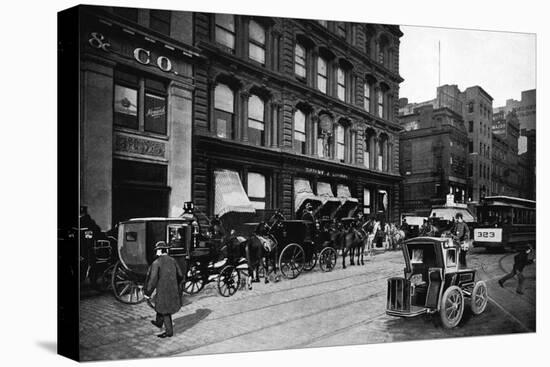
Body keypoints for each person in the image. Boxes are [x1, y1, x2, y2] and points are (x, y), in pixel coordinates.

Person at [145, 241, 184, 338]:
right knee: (160, 305)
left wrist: (148, 293)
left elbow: (153, 280)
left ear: (159, 250)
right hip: (173, 289)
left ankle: (169, 332)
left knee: (165, 310)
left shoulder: (156, 263)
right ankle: (159, 323)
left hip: (163, 290)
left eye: (157, 250)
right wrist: (174, 283)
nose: (156, 252)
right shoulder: (173, 260)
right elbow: (180, 275)